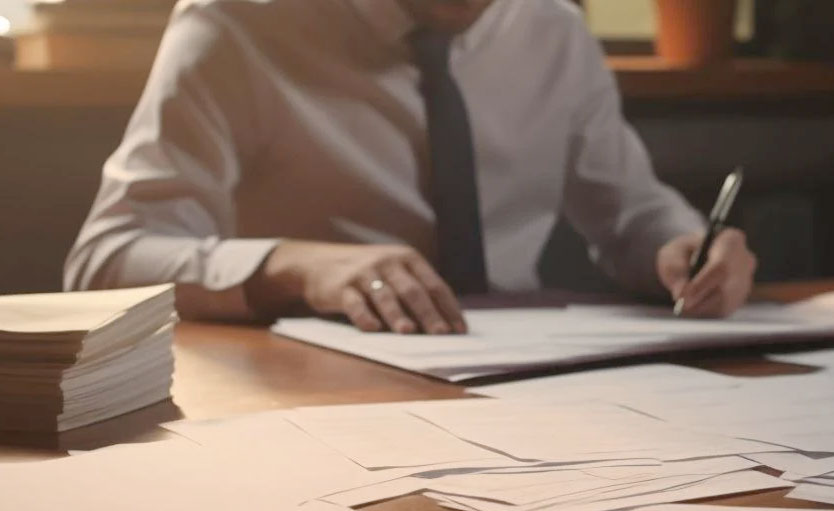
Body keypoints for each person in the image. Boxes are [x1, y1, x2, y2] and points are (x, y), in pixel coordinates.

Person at [64, 0, 757, 334]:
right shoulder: (236, 25)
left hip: (534, 381)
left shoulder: (554, 31)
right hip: (315, 390)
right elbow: (105, 259)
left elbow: (631, 212)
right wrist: (298, 267)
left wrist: (682, 248)